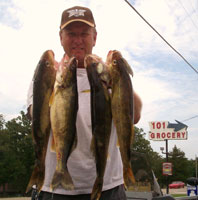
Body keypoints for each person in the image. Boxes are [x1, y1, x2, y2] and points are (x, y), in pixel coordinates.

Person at [27, 5, 142, 200]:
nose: (78, 40)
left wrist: (119, 79)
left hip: (109, 186)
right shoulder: (48, 75)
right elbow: (34, 116)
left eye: (84, 34)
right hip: (56, 189)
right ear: (61, 37)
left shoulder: (108, 74)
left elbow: (135, 115)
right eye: (71, 34)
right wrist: (47, 83)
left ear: (94, 37)